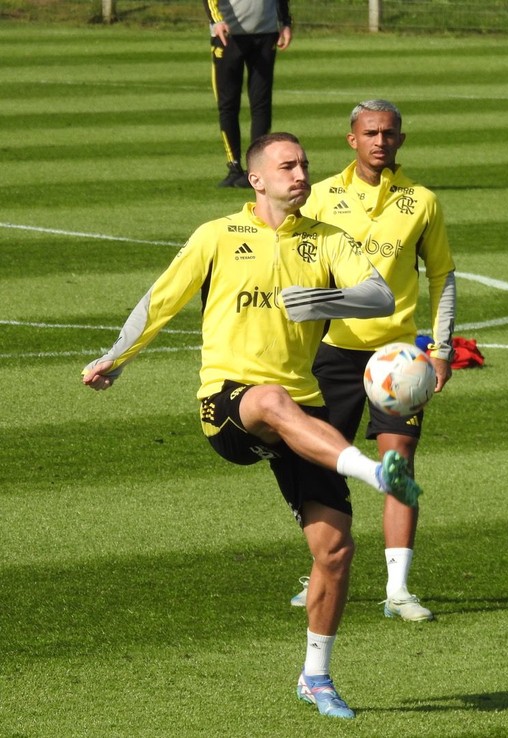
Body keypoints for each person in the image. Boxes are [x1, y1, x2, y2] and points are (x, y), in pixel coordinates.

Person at [82, 132, 421, 720]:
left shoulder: (326, 240)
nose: (300, 172)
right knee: (266, 398)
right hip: (230, 400)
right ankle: (375, 472)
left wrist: (321, 303)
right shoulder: (217, 235)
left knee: (335, 549)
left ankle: (315, 676)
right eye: (287, 165)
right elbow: (161, 299)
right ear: (257, 179)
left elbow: (379, 296)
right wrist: (117, 355)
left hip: (304, 408)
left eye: (305, 164)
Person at [289, 99, 456, 623]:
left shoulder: (422, 201)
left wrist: (443, 348)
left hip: (398, 356)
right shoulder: (318, 198)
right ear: (352, 140)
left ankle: (398, 589)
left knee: (398, 463)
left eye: (388, 133)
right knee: (320, 463)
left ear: (400, 140)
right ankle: (321, 566)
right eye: (370, 133)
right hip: (332, 350)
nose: (380, 141)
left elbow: (442, 275)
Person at [206, 0, 293, 188]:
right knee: (228, 104)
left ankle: (256, 169)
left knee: (261, 104)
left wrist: (285, 22)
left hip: (265, 33)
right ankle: (234, 167)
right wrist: (216, 20)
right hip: (228, 36)